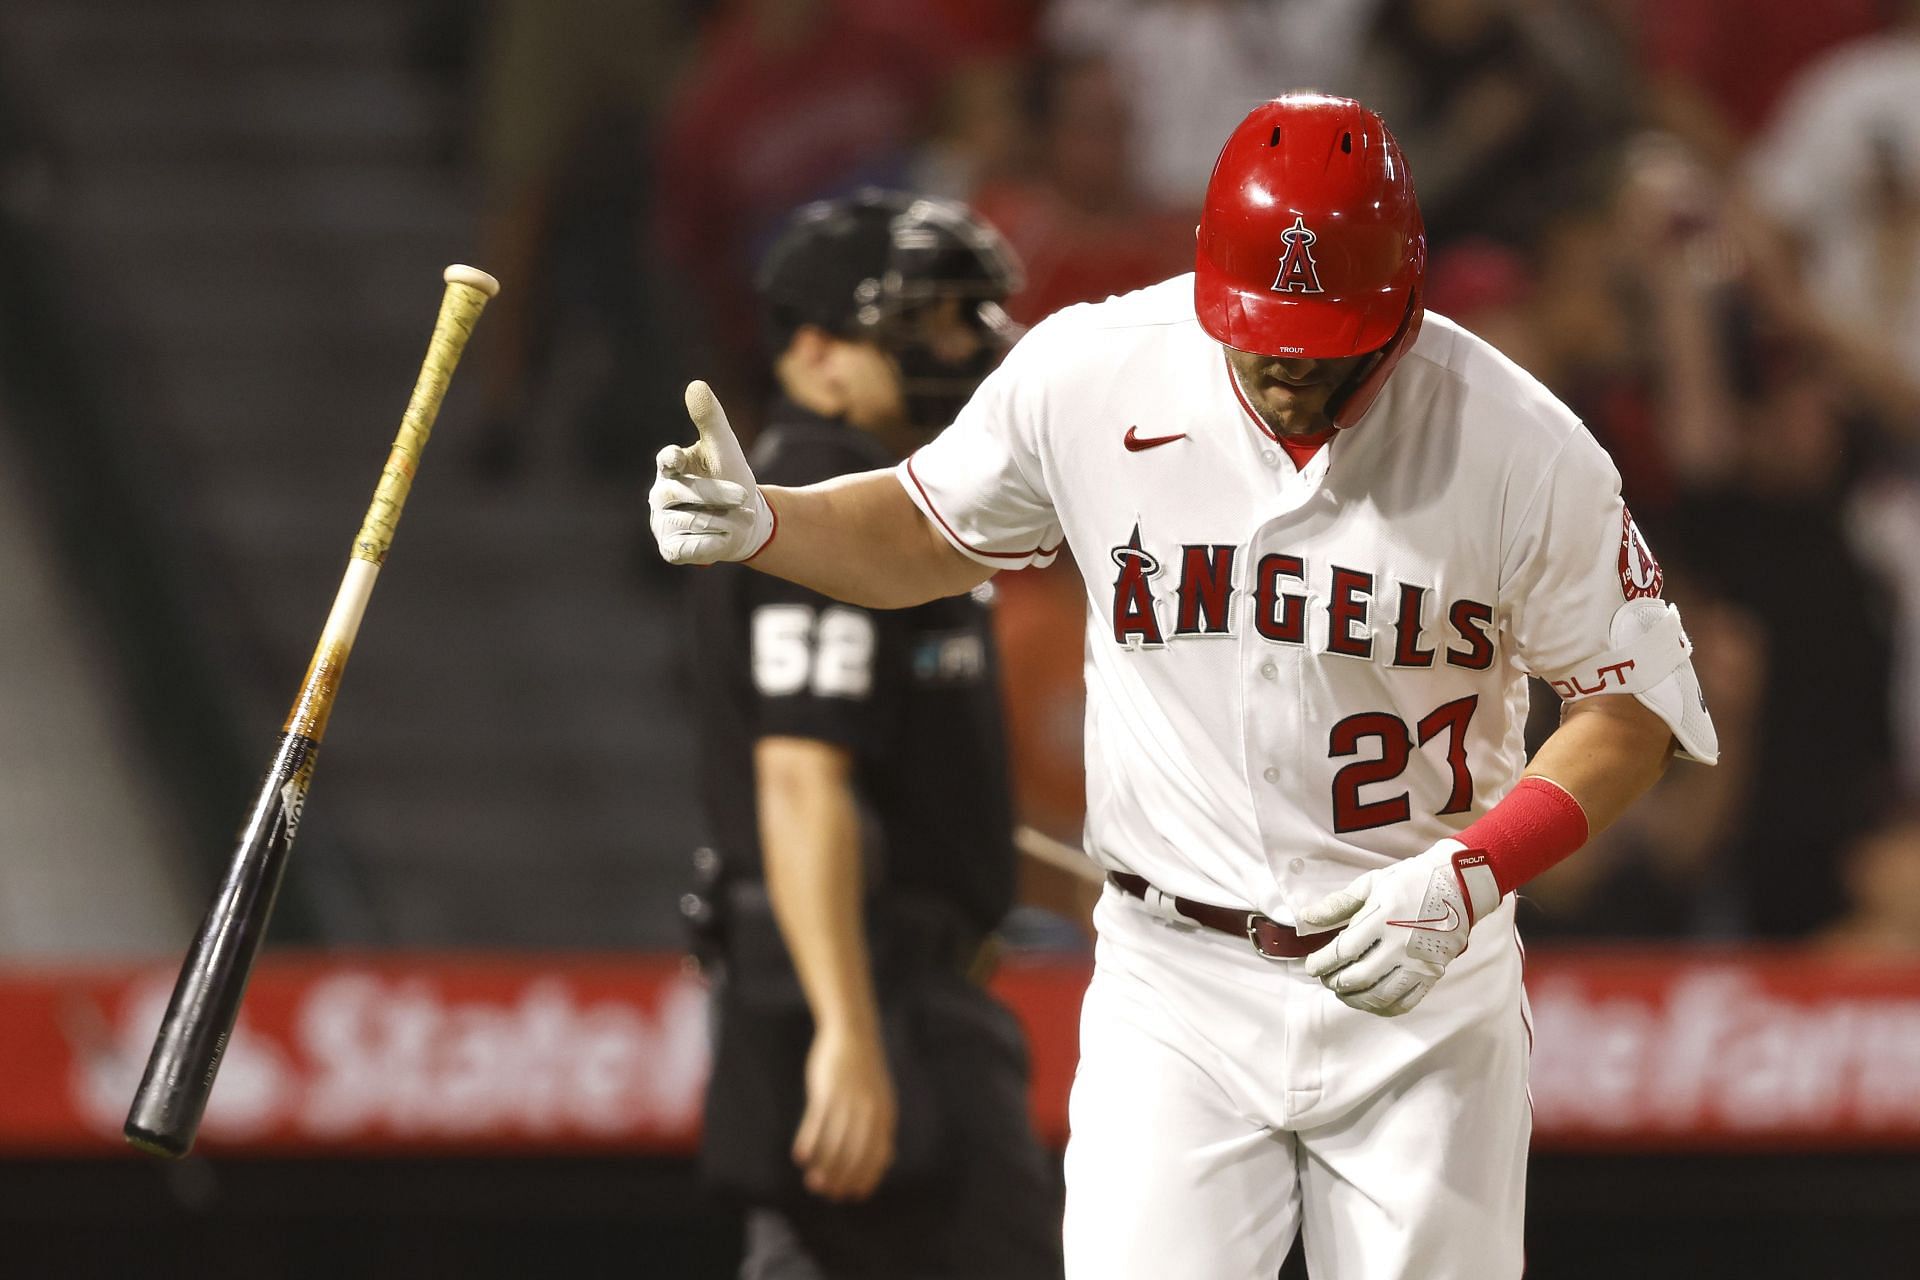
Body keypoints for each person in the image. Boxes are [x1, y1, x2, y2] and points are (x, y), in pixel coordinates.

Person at [654, 96, 1717, 1278]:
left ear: (1405, 299)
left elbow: (1631, 713)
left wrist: (1475, 873)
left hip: (1416, 979)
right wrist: (771, 524)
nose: (1289, 366)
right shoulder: (1095, 369)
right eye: (1266, 331)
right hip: (1179, 980)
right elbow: (923, 524)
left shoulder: (1522, 442)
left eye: (1330, 338)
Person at [681, 190, 1066, 1280]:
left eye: (966, 318)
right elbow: (803, 776)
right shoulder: (814, 502)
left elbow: (925, 811)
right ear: (817, 349)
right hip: (870, 995)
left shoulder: (900, 513)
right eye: (927, 321)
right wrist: (848, 1032)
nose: (964, 346)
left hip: (895, 983)